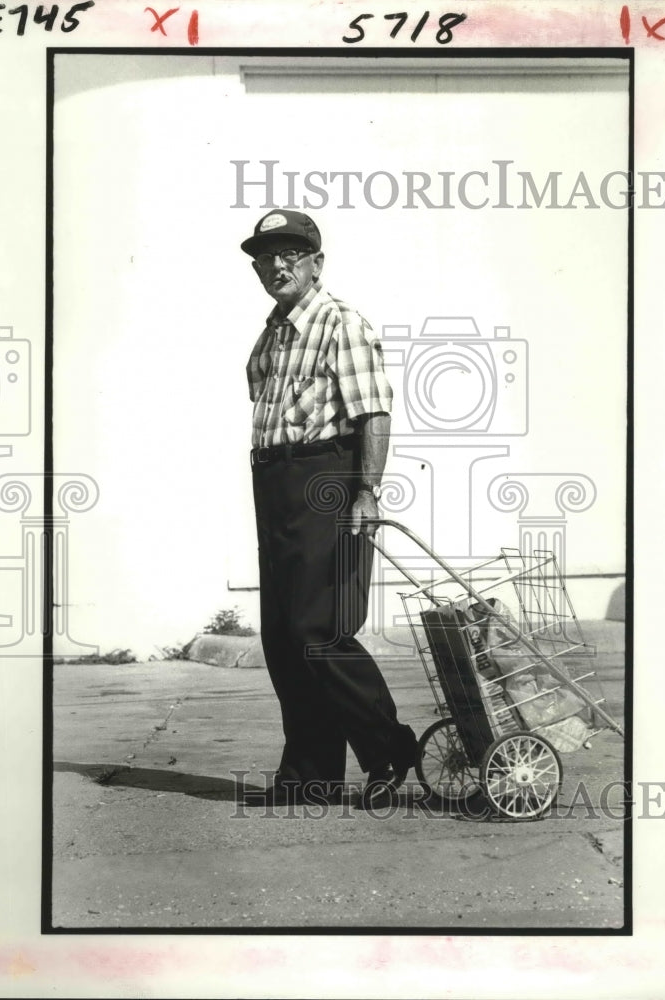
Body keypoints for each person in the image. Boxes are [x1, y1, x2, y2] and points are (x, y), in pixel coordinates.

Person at [242, 209, 417, 807]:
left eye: (291, 253)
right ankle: (310, 774)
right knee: (283, 637)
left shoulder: (341, 324)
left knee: (320, 630)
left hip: (327, 483)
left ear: (317, 262)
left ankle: (389, 747)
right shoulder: (272, 332)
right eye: (266, 256)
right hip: (276, 484)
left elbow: (373, 413)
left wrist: (366, 491)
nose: (277, 264)